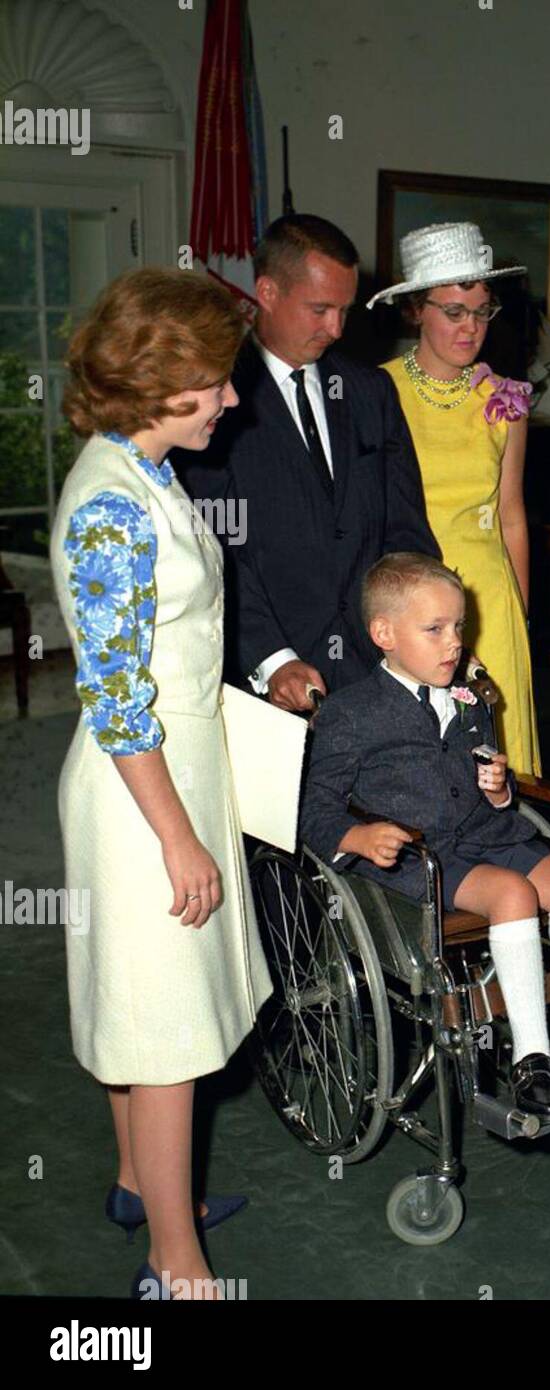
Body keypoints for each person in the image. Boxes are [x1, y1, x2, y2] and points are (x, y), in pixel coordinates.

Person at [51, 268, 273, 1298]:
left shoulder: (145, 470)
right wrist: (178, 838)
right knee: (168, 1029)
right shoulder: (108, 505)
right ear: (160, 378)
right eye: (217, 381)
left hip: (174, 769)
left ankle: (143, 1182)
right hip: (140, 791)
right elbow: (116, 697)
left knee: (149, 1006)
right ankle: (173, 1265)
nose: (231, 398)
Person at [299, 552, 550, 1117]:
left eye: (458, 627)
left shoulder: (470, 700)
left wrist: (499, 788)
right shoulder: (352, 714)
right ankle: (532, 1058)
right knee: (513, 895)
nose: (454, 642)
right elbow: (312, 808)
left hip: (487, 834)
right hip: (417, 855)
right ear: (384, 634)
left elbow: (488, 782)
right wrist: (356, 837)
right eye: (434, 630)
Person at [173, 213, 440, 709]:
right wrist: (273, 658)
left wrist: (421, 633)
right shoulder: (215, 399)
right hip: (269, 681)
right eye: (319, 309)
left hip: (376, 668)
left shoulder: (371, 391)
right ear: (267, 293)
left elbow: (407, 530)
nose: (336, 329)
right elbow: (215, 548)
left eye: (345, 310)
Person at [369, 222, 541, 774]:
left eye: (482, 311)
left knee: (495, 770)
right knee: (420, 767)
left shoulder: (505, 402)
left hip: (488, 601)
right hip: (408, 601)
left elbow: (512, 516)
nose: (471, 329)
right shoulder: (376, 390)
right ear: (417, 309)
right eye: (453, 312)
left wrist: (521, 616)